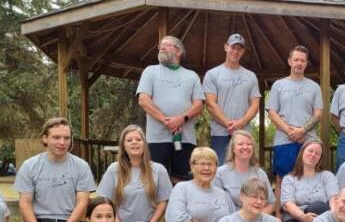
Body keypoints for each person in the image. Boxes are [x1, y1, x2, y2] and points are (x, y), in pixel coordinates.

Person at [136, 35, 205, 183]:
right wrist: (166, 121)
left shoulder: (192, 76)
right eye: (160, 45)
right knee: (155, 180)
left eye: (167, 45)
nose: (162, 47)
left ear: (179, 51)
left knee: (184, 179)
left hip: (184, 139)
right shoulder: (150, 71)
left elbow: (199, 105)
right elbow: (143, 100)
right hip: (156, 139)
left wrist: (181, 119)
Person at [266, 45, 323, 206]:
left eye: (302, 60)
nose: (299, 63)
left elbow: (318, 113)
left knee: (309, 177)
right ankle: (279, 215)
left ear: (306, 64)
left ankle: (306, 212)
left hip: (308, 141)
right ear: (290, 61)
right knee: (282, 178)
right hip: (284, 140)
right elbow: (272, 112)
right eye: (296, 59)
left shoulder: (314, 87)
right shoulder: (278, 85)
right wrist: (290, 132)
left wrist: (302, 130)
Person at [203, 33, 261, 162]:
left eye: (239, 48)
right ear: (226, 47)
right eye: (232, 47)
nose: (235, 51)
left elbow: (255, 105)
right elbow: (210, 104)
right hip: (220, 133)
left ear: (243, 51)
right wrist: (228, 124)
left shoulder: (251, 76)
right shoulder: (212, 74)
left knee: (245, 169)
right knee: (220, 170)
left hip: (244, 134)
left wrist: (240, 123)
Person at [213, 130, 274, 214]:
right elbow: (215, 204)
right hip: (230, 221)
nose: (245, 147)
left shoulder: (260, 173)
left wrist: (254, 218)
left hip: (256, 219)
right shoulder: (220, 173)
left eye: (249, 144)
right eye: (240, 144)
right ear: (233, 149)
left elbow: (271, 204)